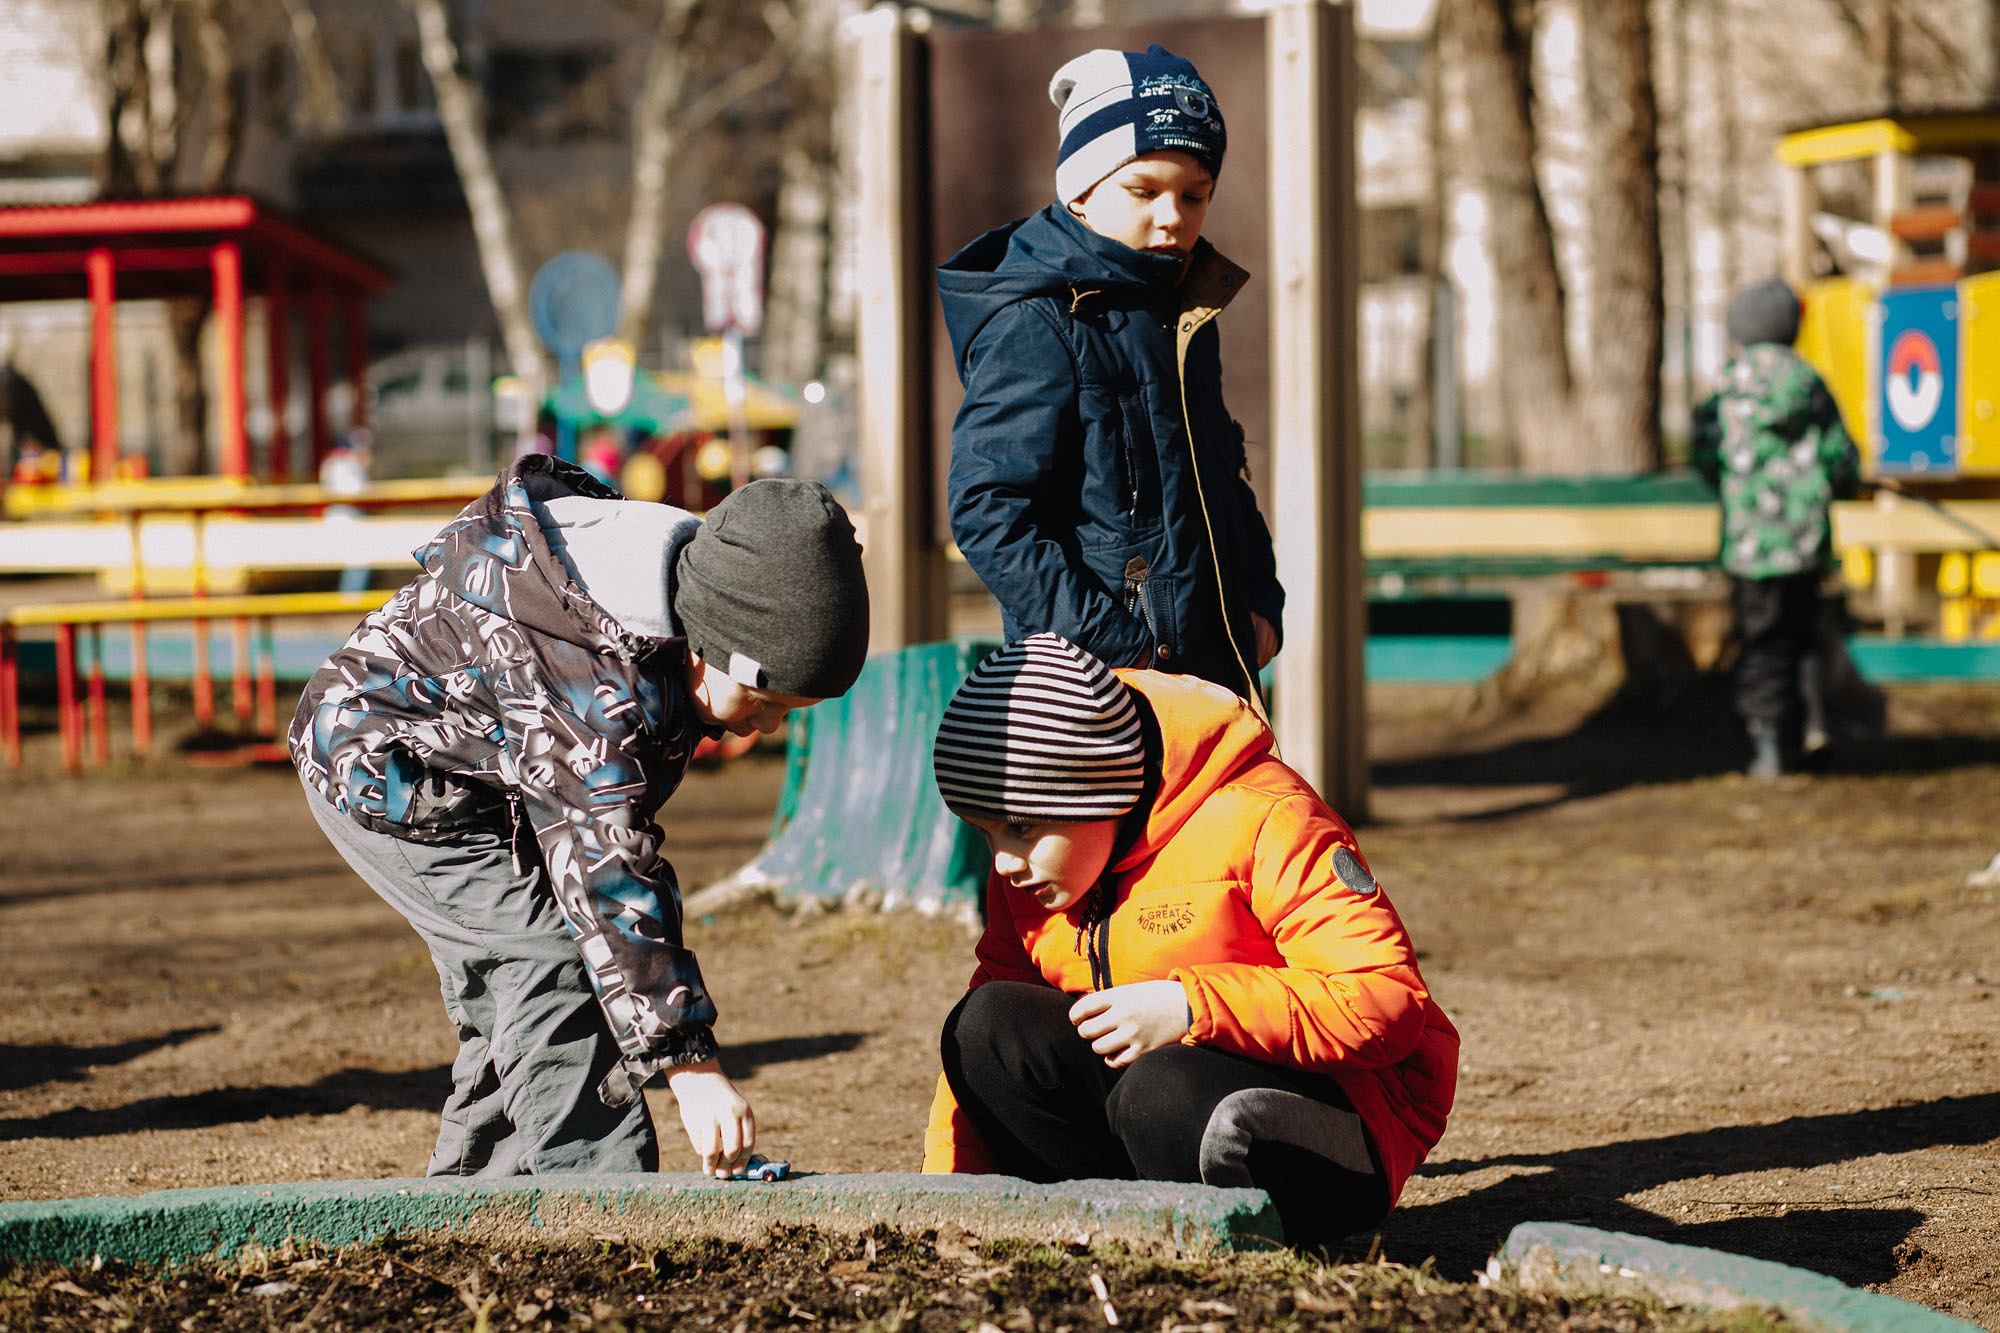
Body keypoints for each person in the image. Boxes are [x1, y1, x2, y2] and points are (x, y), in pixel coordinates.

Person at [290, 455, 868, 1178]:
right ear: (711, 645)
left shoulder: (686, 598)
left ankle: (473, 1204)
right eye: (764, 702)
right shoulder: (589, 670)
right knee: (548, 963)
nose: (766, 729)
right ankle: (606, 1209)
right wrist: (691, 1065)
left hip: (490, 774)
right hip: (391, 769)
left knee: (521, 988)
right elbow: (610, 871)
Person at [920, 634, 1458, 1246]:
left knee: (1161, 1089)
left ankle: (1235, 1249)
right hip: (1150, 1112)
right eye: (987, 835)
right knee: (985, 1023)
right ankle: (1100, 1235)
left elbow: (1385, 1001)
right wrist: (949, 1194)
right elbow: (983, 1047)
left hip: (1337, 1118)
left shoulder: (1264, 821)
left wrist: (1190, 1007)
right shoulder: (1034, 877)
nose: (1005, 862)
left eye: (1020, 827)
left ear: (1101, 790)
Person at [939, 44, 1283, 705]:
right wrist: (1123, 648)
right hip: (1102, 694)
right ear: (1081, 189)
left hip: (1212, 679)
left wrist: (1261, 600)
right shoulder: (1040, 321)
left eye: (1196, 195)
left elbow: (1218, 479)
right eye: (1143, 190)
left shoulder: (1180, 313)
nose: (1172, 216)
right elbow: (988, 512)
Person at [1691, 277, 1860, 779]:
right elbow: (1840, 455)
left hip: (1749, 541)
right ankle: (1813, 725)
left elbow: (1704, 453)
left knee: (1760, 638)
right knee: (1806, 633)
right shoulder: (1808, 382)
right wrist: (1843, 484)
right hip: (1804, 537)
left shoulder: (1724, 385)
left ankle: (1766, 744)